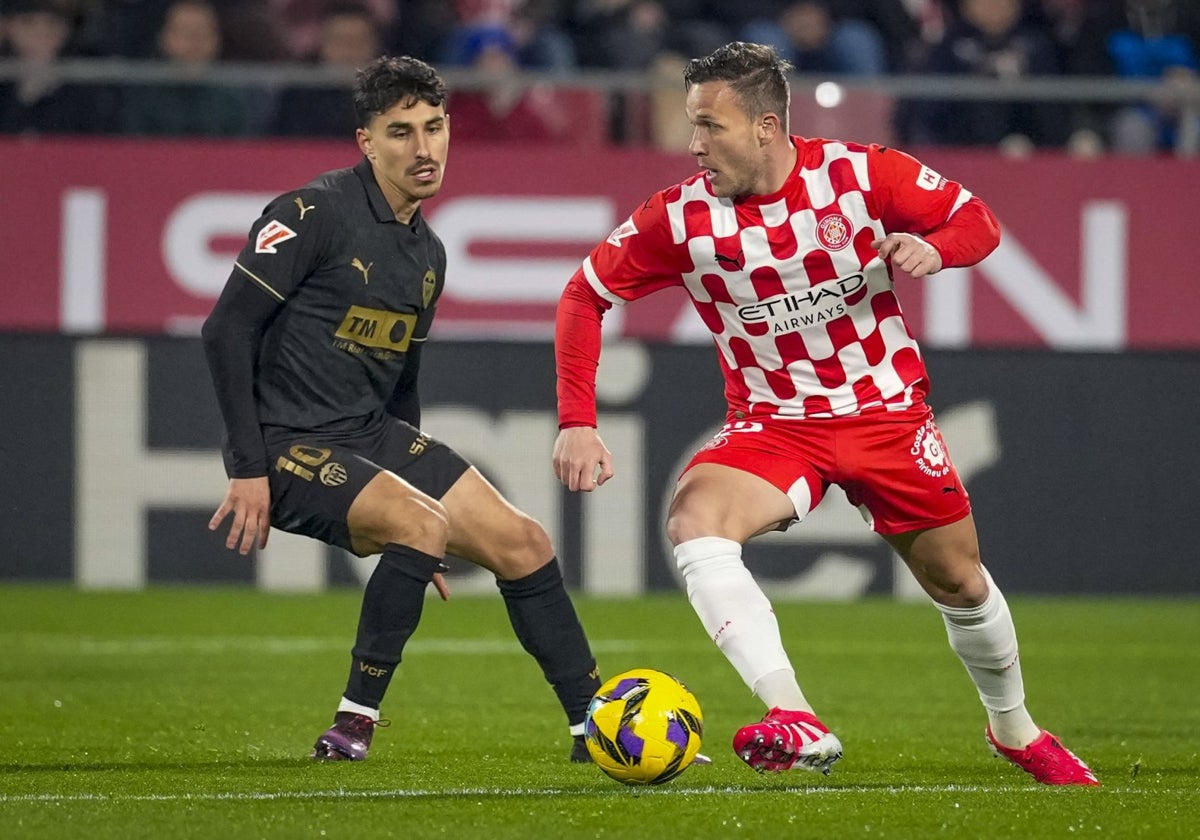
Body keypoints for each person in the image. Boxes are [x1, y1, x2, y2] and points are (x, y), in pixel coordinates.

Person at [552, 41, 1099, 786]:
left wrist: (937, 251)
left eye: (711, 126)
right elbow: (585, 295)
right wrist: (577, 419)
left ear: (767, 126)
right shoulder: (679, 219)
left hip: (886, 415)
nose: (694, 145)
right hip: (775, 425)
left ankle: (1015, 729)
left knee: (961, 583)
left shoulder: (862, 174)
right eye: (693, 126)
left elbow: (979, 221)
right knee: (694, 520)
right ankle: (794, 715)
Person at [201, 55, 601, 763]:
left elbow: (403, 376)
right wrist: (247, 465)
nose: (423, 148)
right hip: (290, 442)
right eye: (400, 132)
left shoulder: (430, 253)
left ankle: (592, 727)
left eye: (434, 127)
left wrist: (411, 521)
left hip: (372, 433)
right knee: (422, 524)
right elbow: (226, 329)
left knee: (525, 543)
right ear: (365, 141)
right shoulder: (310, 213)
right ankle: (352, 725)